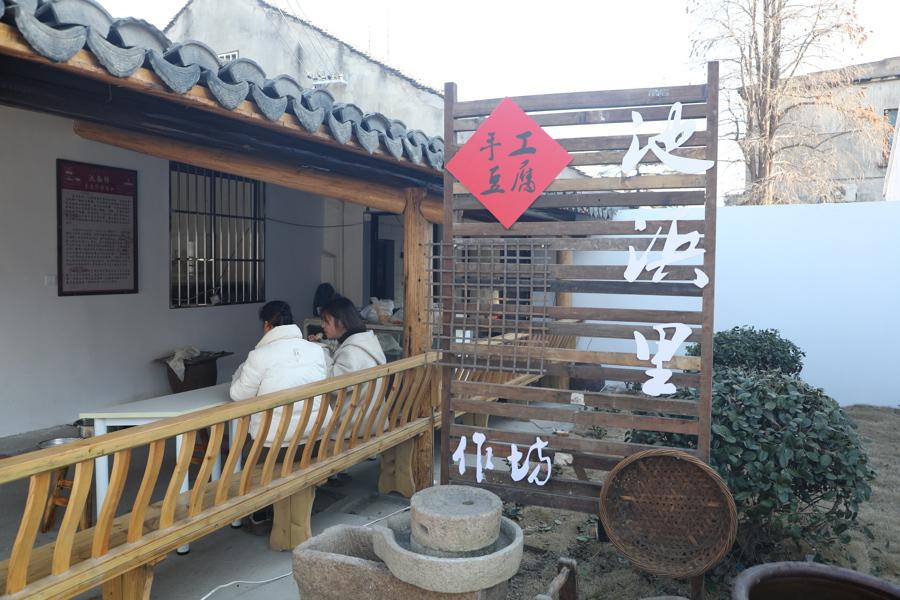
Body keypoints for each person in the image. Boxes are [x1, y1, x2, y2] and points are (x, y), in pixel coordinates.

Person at [230, 300, 330, 446]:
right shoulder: (316, 350)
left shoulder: (259, 355)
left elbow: (239, 395)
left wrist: (241, 369)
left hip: (275, 448)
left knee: (242, 449)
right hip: (317, 441)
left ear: (266, 325)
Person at [319, 296, 387, 429]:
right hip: (373, 421)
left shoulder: (352, 351)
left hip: (354, 427)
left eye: (326, 321)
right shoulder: (365, 343)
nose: (323, 326)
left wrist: (321, 350)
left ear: (342, 322)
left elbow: (334, 385)